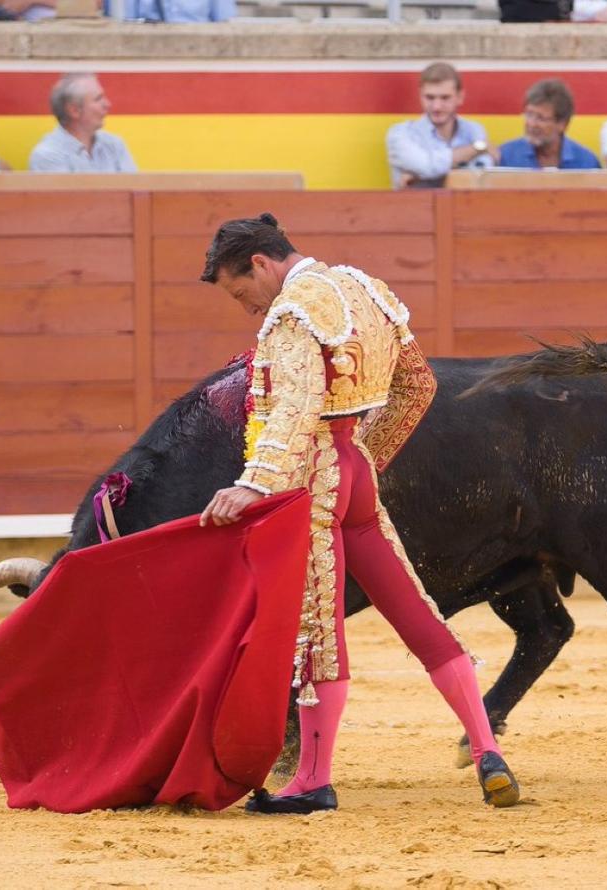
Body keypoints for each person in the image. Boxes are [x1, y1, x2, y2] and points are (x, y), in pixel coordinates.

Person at [198, 213, 519, 814]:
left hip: (314, 479)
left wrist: (254, 483)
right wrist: (367, 453)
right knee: (415, 610)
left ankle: (314, 781)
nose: (245, 307)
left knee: (320, 632)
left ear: (260, 264)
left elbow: (293, 410)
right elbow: (418, 385)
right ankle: (486, 751)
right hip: (357, 472)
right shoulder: (365, 289)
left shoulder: (293, 314)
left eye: (241, 292)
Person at [386, 62, 493, 189]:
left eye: (445, 98)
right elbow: (427, 167)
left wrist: (420, 177)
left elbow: (481, 175)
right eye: (430, 98)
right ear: (420, 96)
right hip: (417, 208)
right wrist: (477, 148)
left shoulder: (474, 130)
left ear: (460, 97)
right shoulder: (400, 134)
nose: (437, 106)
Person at [28, 73, 137, 173]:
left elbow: (135, 188)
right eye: (98, 99)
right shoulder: (48, 155)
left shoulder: (114, 144)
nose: (107, 104)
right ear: (74, 111)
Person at [495, 79, 600, 170]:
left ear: (562, 124)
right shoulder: (505, 156)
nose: (532, 124)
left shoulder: (586, 162)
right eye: (529, 115)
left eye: (541, 118)